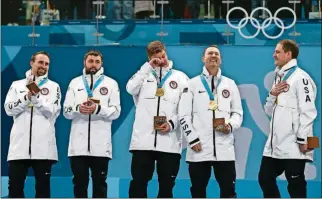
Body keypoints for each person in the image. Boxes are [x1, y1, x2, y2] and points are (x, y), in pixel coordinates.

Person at [126, 41, 189, 198]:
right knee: (138, 184)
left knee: (166, 188)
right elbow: (130, 88)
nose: (162, 60)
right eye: (157, 58)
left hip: (169, 142)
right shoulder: (143, 76)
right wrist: (148, 68)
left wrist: (172, 124)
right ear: (150, 59)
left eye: (163, 56)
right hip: (142, 142)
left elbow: (186, 107)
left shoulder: (181, 78)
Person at [179, 45, 243, 198]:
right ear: (203, 59)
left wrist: (230, 125)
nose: (213, 56)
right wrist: (192, 140)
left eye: (216, 54)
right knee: (198, 191)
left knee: (228, 191)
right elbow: (183, 115)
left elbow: (238, 113)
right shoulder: (192, 84)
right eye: (210, 53)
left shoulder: (230, 84)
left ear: (220, 60)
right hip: (199, 149)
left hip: (224, 149)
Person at [258, 39, 317, 198]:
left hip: (294, 144)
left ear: (288, 54)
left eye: (277, 52)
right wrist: (272, 95)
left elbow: (309, 111)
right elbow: (269, 111)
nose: (273, 55)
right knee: (264, 178)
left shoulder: (301, 78)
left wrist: (303, 139)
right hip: (274, 144)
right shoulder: (279, 77)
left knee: (296, 186)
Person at [63, 50, 121, 198]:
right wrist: (78, 108)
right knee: (79, 184)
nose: (93, 64)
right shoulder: (75, 83)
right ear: (85, 62)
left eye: (97, 61)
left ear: (101, 63)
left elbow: (116, 111)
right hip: (78, 146)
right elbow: (66, 111)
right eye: (90, 61)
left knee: (100, 184)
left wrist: (98, 109)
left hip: (101, 146)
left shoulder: (111, 83)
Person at [4, 51, 61, 198]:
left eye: (46, 64)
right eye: (40, 62)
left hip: (43, 148)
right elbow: (9, 109)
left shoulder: (54, 87)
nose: (43, 66)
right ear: (31, 63)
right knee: (15, 190)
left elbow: (52, 111)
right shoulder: (17, 85)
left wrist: (36, 99)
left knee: (43, 190)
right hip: (19, 147)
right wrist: (26, 97)